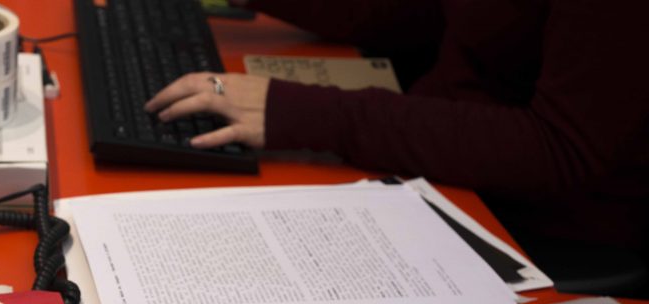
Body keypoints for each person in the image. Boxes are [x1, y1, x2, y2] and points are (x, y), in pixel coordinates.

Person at [145, 0, 649, 253]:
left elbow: (560, 149)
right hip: (437, 157)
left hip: (526, 224)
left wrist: (297, 112)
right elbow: (428, 15)